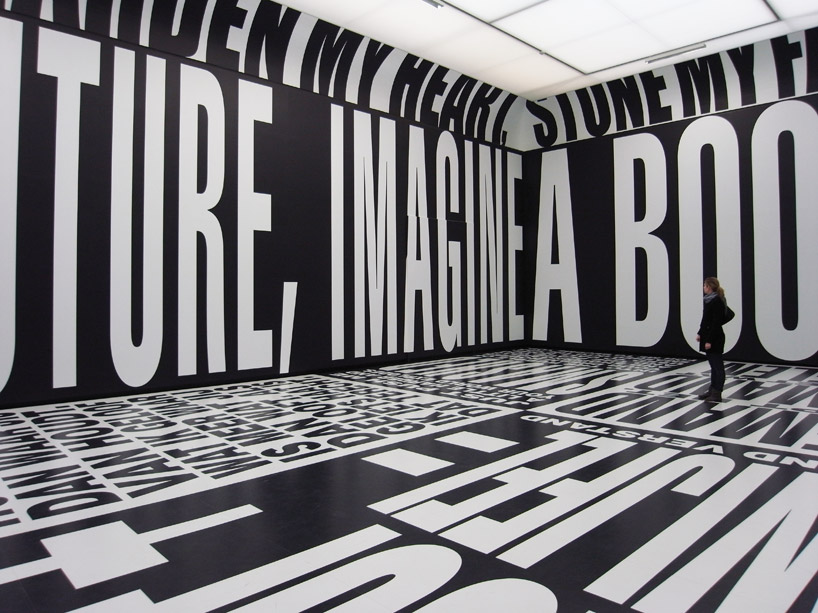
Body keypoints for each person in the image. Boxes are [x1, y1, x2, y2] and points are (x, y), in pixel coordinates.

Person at [696, 277, 727, 402]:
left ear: (709, 287)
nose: (703, 288)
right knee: (713, 366)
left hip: (715, 338)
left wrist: (709, 340)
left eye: (705, 285)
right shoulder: (709, 300)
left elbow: (715, 323)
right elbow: (706, 320)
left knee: (717, 366)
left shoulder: (717, 301)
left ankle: (717, 392)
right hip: (708, 336)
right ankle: (712, 390)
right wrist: (700, 333)